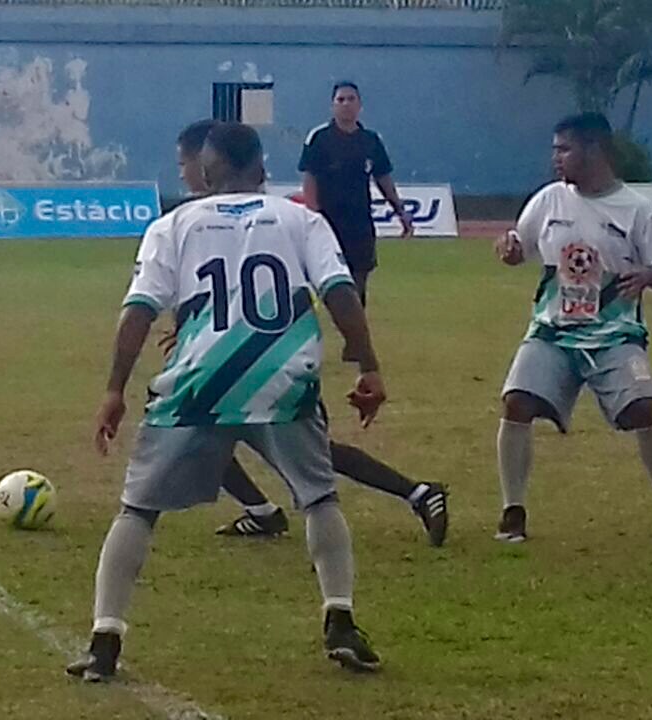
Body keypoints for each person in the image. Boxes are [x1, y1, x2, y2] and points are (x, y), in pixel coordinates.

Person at [67, 122, 384, 682]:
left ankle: (104, 640)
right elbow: (340, 293)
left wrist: (115, 388)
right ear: (263, 171)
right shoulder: (301, 220)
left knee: (138, 510)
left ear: (204, 173)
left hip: (198, 382)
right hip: (282, 381)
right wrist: (368, 367)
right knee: (318, 498)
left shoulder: (173, 225)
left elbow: (138, 310)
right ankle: (340, 619)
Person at [172, 120, 449, 546]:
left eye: (184, 162)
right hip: (233, 357)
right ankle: (262, 511)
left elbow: (309, 287)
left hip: (269, 356)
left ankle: (416, 492)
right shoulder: (204, 220)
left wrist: (366, 361)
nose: (181, 173)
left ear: (206, 162)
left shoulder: (261, 218)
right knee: (197, 431)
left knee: (308, 453)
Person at [492, 113, 652, 544]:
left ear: (594, 150)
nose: (556, 158)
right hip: (553, 332)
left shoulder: (638, 210)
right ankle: (513, 511)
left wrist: (648, 275)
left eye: (565, 149)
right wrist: (507, 249)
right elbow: (517, 247)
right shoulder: (548, 200)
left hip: (614, 335)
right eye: (555, 149)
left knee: (644, 410)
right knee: (516, 402)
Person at [298, 81, 413, 305]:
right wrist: (313, 215)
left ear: (360, 105)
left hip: (360, 222)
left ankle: (355, 328)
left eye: (351, 99)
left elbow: (383, 177)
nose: (346, 104)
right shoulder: (319, 139)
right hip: (328, 221)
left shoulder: (370, 141)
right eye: (340, 100)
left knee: (359, 278)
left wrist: (400, 210)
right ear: (332, 105)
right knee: (325, 277)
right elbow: (310, 178)